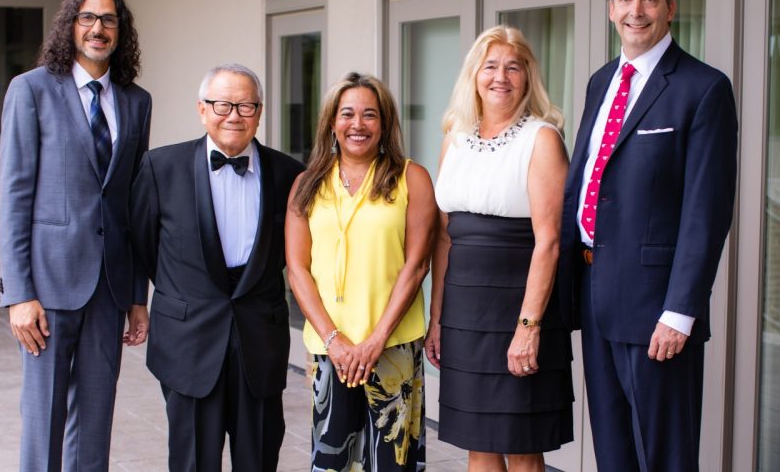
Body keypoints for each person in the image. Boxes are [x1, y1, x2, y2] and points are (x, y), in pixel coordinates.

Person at [558, 0, 738, 472]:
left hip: (656, 307)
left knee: (664, 455)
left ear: (670, 9)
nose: (637, 10)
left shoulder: (703, 88)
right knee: (613, 449)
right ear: (611, 10)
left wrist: (680, 311)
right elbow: (586, 179)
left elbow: (706, 211)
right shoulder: (601, 81)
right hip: (595, 295)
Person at [0, 0, 151, 472]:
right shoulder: (31, 90)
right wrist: (19, 294)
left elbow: (131, 203)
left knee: (95, 422)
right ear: (70, 25)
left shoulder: (136, 101)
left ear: (120, 31)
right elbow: (15, 196)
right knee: (44, 418)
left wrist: (136, 295)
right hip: (46, 288)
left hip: (108, 289)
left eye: (108, 19)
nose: (98, 28)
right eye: (87, 17)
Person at [129, 64, 303, 471]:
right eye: (223, 104)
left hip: (259, 341)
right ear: (202, 109)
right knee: (192, 463)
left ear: (259, 113)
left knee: (258, 460)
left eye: (245, 106)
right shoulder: (160, 168)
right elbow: (143, 244)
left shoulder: (290, 175)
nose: (234, 115)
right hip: (187, 341)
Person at [424, 25, 573, 472]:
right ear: (473, 74)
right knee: (478, 443)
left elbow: (550, 241)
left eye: (513, 67)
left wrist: (529, 326)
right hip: (465, 313)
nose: (500, 77)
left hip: (519, 307)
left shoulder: (542, 138)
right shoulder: (454, 136)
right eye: (490, 66)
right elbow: (444, 234)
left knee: (522, 445)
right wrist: (437, 318)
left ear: (528, 77)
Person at [286, 72, 436, 471]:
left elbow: (417, 264)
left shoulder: (411, 178)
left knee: (391, 462)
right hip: (329, 348)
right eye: (347, 114)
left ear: (384, 123)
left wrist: (375, 340)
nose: (358, 124)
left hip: (392, 346)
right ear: (332, 123)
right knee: (333, 457)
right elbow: (297, 270)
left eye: (370, 115)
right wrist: (334, 341)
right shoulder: (307, 184)